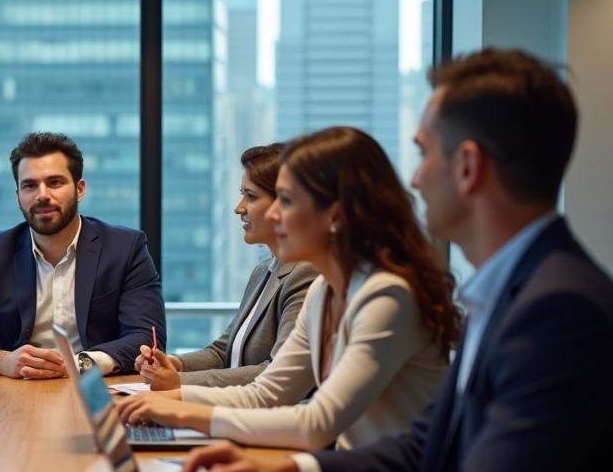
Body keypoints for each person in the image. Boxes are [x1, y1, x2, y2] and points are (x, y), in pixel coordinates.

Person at [165, 48, 612, 472]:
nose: (414, 177)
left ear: (468, 167)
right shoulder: (511, 291)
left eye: (423, 152)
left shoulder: (557, 308)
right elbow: (420, 451)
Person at [117, 126, 458, 451]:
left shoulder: (387, 296)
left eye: (287, 200)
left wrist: (179, 408)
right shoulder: (325, 291)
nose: (275, 215)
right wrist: (165, 400)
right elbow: (266, 394)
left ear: (335, 216)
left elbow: (317, 422)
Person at [0, 132, 166, 379]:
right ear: (18, 196)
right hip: (16, 394)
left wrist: (79, 364)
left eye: (55, 183)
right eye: (30, 185)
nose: (42, 195)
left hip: (98, 394)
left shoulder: (126, 249)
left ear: (79, 189)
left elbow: (147, 339)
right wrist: (2, 361)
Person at [133, 143, 318, 391]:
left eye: (251, 197)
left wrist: (178, 382)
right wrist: (176, 365)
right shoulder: (263, 271)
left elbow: (275, 372)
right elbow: (223, 352)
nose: (239, 208)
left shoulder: (305, 273)